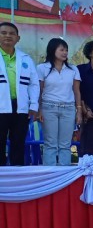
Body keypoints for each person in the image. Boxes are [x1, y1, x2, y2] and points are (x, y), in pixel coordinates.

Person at [35, 38, 82, 166]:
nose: (65, 52)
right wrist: (39, 110)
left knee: (65, 144)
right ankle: (50, 173)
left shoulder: (73, 69)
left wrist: (79, 111)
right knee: (50, 143)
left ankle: (64, 173)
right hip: (48, 107)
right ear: (52, 50)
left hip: (68, 108)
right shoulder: (42, 68)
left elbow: (77, 91)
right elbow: (39, 90)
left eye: (66, 50)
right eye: (61, 50)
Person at [0, 22, 39, 166]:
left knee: (18, 142)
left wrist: (33, 105)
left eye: (12, 33)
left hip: (20, 106)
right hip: (1, 105)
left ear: (18, 38)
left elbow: (33, 84)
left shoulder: (26, 59)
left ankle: (17, 173)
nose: (8, 36)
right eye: (4, 33)